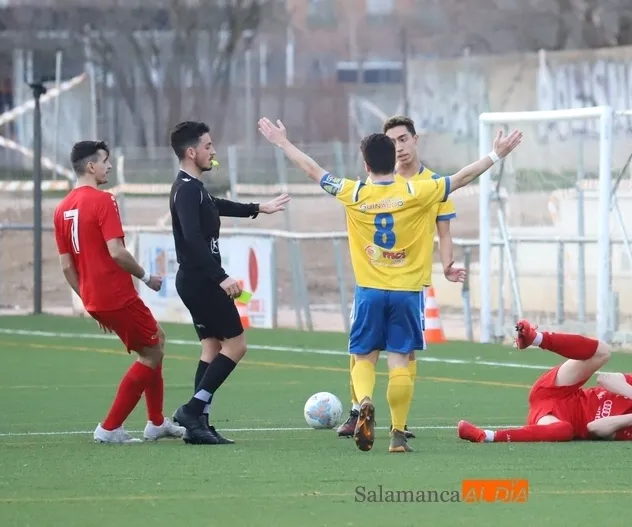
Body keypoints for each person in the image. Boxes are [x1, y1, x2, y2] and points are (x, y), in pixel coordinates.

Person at [257, 116, 522, 453]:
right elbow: (463, 176)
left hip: (369, 292)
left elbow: (312, 170)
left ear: (365, 164)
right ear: (393, 159)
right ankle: (397, 435)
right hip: (407, 293)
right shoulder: (418, 190)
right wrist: (496, 155)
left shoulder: (352, 192)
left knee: (364, 358)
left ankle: (364, 401)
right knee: (400, 361)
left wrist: (282, 143)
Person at [336, 115, 465, 441]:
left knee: (402, 353)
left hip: (409, 281)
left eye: (403, 139)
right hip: (382, 280)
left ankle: (397, 421)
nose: (400, 146)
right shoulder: (374, 185)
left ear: (414, 139)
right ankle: (358, 412)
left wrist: (447, 264)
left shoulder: (432, 185)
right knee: (366, 351)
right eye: (393, 141)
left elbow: (444, 231)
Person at [167, 121, 291, 445]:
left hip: (197, 280)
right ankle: (193, 411)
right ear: (191, 152)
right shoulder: (186, 189)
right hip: (201, 281)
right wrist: (221, 278)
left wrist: (257, 208)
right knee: (236, 346)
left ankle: (198, 426)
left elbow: (216, 206)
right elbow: (193, 240)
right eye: (208, 146)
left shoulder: (193, 187)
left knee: (211, 347)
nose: (213, 151)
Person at [54, 140, 186, 444]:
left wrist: (88, 300)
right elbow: (116, 251)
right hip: (114, 293)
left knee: (154, 341)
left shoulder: (62, 208)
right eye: (105, 161)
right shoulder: (103, 201)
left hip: (95, 297)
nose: (109, 166)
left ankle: (155, 423)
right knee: (152, 351)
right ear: (91, 166)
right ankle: (110, 428)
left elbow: (65, 266)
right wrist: (147, 276)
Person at [457, 320, 632, 444]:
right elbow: (605, 378)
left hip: (552, 418)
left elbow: (593, 428)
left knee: (565, 431)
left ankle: (485, 436)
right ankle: (535, 338)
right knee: (603, 352)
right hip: (560, 391)